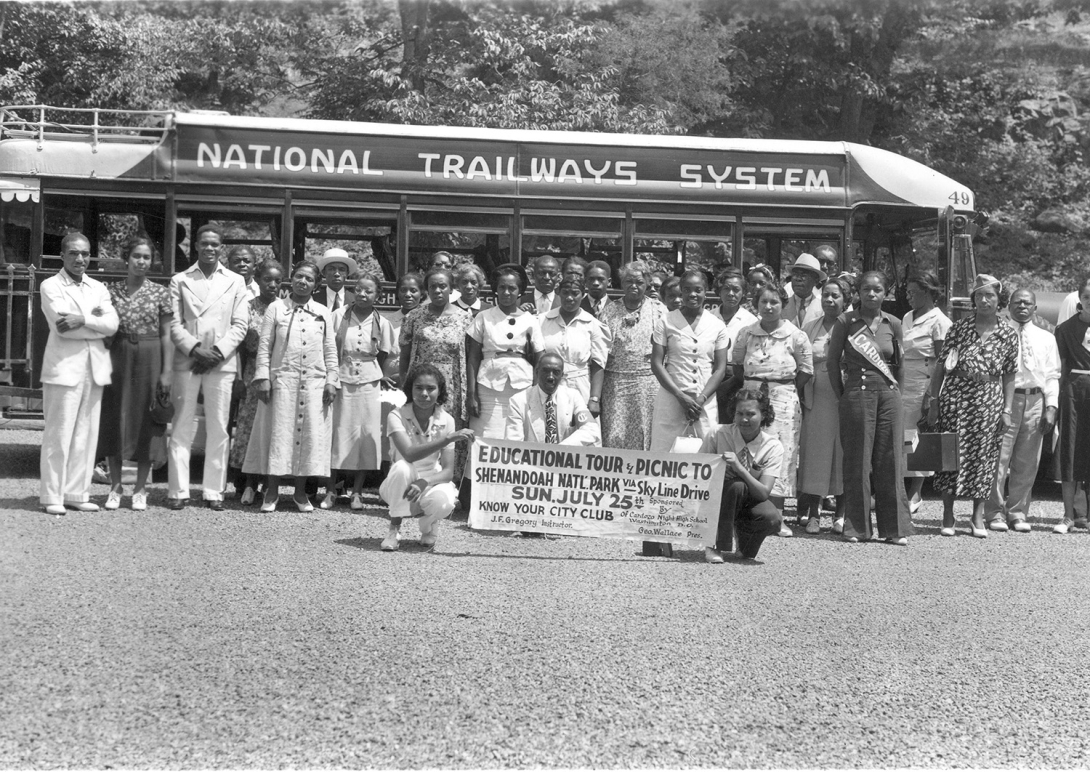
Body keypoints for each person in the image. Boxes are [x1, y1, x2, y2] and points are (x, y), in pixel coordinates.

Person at [927, 274, 1018, 538]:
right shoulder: (958, 328)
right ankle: (948, 513)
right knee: (949, 453)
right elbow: (941, 366)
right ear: (973, 300)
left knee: (984, 457)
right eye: (979, 295)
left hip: (989, 400)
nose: (984, 300)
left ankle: (977, 516)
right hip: (956, 398)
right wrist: (934, 402)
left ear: (998, 299)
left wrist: (1007, 410)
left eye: (989, 295)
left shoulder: (1007, 333)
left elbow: (1010, 374)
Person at [167, 224, 249, 511]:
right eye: (204, 244)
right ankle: (178, 491)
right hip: (187, 361)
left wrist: (216, 352)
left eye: (215, 244)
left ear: (221, 247)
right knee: (181, 426)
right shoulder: (180, 279)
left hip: (220, 362)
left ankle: (213, 491)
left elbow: (241, 324)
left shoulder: (235, 281)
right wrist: (194, 350)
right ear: (196, 246)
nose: (210, 249)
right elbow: (174, 324)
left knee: (219, 428)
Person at [827, 271, 912, 544]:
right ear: (858, 292)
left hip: (888, 395)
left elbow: (901, 364)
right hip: (856, 393)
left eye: (877, 289)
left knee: (891, 459)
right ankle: (857, 528)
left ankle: (894, 529)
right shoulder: (845, 322)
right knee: (857, 461)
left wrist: (896, 392)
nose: (871, 294)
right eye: (866, 289)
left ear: (885, 293)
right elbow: (832, 363)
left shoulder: (894, 323)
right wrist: (844, 395)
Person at [247, 260, 339, 512]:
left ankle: (300, 493)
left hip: (314, 384)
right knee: (278, 434)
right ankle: (272, 491)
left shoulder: (323, 312)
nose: (303, 282)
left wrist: (332, 380)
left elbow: (330, 350)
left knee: (307, 436)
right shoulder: (276, 309)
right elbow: (264, 347)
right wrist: (263, 378)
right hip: (282, 383)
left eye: (309, 279)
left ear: (316, 284)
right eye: (299, 276)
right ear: (291, 279)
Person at [39, 232, 119, 515]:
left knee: (86, 434)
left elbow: (112, 324)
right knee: (59, 434)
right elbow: (62, 324)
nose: (80, 259)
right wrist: (94, 322)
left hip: (94, 368)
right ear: (62, 256)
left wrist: (83, 319)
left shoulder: (97, 287)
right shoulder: (50, 285)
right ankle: (52, 496)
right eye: (73, 253)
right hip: (64, 368)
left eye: (85, 253)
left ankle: (76, 492)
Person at [97, 235, 172, 511]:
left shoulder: (160, 292)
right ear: (126, 259)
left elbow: (167, 335)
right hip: (118, 355)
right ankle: (116, 487)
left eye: (146, 257)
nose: (141, 261)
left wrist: (166, 372)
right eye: (136, 256)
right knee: (115, 417)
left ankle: (140, 489)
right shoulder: (110, 291)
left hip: (150, 356)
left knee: (146, 420)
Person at [729, 283, 813, 532]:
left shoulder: (796, 335)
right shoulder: (746, 333)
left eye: (774, 302)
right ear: (756, 304)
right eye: (763, 302)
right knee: (750, 450)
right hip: (750, 399)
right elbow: (737, 367)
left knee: (782, 454)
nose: (768, 307)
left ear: (783, 304)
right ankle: (746, 512)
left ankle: (777, 517)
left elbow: (806, 371)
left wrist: (779, 387)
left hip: (783, 400)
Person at [985, 289, 1059, 532]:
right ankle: (994, 513)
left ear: (1035, 308)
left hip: (1035, 401)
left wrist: (1051, 406)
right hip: (1004, 401)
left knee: (1027, 463)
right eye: (1017, 303)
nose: (1022, 307)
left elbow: (1052, 375)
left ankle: (1017, 513)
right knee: (998, 459)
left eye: (1027, 303)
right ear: (1009, 307)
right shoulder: (998, 333)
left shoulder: (1046, 338)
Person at [380, 363, 475, 551]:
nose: (424, 394)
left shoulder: (446, 419)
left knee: (445, 501)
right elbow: (408, 454)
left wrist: (425, 481)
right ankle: (394, 529)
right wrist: (446, 439)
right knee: (402, 467)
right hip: (398, 482)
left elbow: (448, 472)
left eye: (431, 388)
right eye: (419, 387)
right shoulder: (396, 415)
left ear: (439, 392)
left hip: (430, 481)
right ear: (410, 389)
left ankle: (428, 527)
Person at [326, 274, 397, 510]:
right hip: (341, 377)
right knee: (337, 430)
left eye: (368, 291)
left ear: (378, 295)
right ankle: (331, 489)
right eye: (358, 290)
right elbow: (328, 346)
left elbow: (384, 353)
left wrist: (376, 371)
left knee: (366, 434)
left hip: (369, 381)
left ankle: (357, 491)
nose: (363, 295)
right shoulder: (339, 316)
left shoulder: (382, 322)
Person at [399, 267, 472, 477]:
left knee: (447, 432)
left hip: (451, 385)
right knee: (422, 431)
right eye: (433, 286)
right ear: (426, 290)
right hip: (420, 385)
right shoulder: (415, 316)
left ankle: (448, 483)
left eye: (443, 286)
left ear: (451, 289)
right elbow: (404, 353)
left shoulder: (465, 318)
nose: (438, 291)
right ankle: (416, 480)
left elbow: (469, 356)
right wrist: (404, 385)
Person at [700, 387, 784, 563]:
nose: (744, 419)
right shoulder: (717, 434)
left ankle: (744, 543)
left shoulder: (773, 446)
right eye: (739, 413)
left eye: (751, 414)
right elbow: (699, 474)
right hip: (716, 498)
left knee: (772, 517)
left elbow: (763, 493)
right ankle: (715, 544)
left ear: (764, 415)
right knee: (735, 486)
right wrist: (720, 471)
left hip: (750, 499)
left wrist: (740, 469)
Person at [650, 270, 730, 451]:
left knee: (704, 451)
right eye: (687, 290)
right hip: (671, 397)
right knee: (665, 451)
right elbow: (656, 363)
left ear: (706, 291)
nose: (692, 294)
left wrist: (700, 399)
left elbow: (720, 369)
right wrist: (680, 396)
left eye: (698, 290)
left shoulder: (717, 325)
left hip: (704, 398)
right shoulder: (666, 321)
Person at [466, 264, 543, 441]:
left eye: (512, 288)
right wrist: (472, 394)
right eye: (502, 287)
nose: (507, 292)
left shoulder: (530, 320)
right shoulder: (483, 317)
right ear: (495, 289)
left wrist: (536, 393)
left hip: (521, 386)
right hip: (487, 387)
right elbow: (473, 357)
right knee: (484, 435)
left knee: (515, 436)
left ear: (520, 290)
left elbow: (540, 357)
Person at [796, 277, 849, 534]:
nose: (829, 300)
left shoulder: (853, 326)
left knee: (843, 453)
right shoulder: (810, 327)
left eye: (835, 296)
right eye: (826, 295)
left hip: (845, 396)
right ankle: (814, 513)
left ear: (845, 300)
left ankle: (841, 514)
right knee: (816, 455)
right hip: (816, 397)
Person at [228, 259, 281, 504]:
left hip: (278, 373)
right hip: (251, 373)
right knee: (249, 427)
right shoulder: (247, 307)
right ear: (257, 280)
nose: (272, 284)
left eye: (277, 280)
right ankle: (246, 484)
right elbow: (237, 347)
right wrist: (238, 377)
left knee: (273, 428)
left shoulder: (284, 308)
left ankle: (268, 484)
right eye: (267, 279)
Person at [900, 270, 952, 513]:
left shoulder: (940, 322)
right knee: (901, 437)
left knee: (917, 437)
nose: (908, 296)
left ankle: (915, 493)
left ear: (927, 292)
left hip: (923, 383)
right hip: (902, 380)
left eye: (912, 292)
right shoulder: (908, 317)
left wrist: (932, 397)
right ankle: (899, 490)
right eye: (907, 292)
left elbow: (942, 362)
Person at [600, 261, 666, 451]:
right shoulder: (609, 311)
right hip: (616, 382)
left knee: (647, 429)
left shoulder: (659, 310)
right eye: (629, 281)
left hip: (648, 382)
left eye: (639, 282)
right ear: (621, 283)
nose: (634, 286)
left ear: (647, 283)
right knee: (615, 432)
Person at [1052, 278, 1090, 534]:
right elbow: (1060, 367)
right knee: (1071, 449)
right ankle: (1068, 515)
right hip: (1074, 392)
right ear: (1080, 299)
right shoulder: (1064, 329)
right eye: (1088, 296)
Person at [540, 276, 611, 408]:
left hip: (580, 387)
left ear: (583, 295)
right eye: (565, 293)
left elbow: (598, 365)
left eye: (575, 293)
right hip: (547, 385)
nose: (569, 298)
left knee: (580, 426)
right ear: (558, 293)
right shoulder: (541, 321)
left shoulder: (593, 325)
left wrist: (594, 399)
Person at [505, 353, 602, 446]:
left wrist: (559, 450)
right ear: (537, 371)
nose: (550, 377)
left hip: (564, 458)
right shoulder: (518, 401)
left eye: (556, 372)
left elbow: (591, 429)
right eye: (546, 371)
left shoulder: (573, 396)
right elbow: (513, 444)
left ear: (562, 375)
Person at [711, 267, 757, 417]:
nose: (731, 294)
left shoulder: (751, 321)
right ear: (719, 291)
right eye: (726, 289)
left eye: (736, 290)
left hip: (736, 381)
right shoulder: (708, 318)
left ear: (743, 293)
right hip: (708, 379)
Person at [783, 253, 826, 329]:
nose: (798, 279)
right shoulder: (781, 306)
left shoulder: (823, 308)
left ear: (816, 281)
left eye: (803, 275)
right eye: (795, 274)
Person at [315, 248, 356, 312]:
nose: (337, 274)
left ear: (347, 273)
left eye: (342, 269)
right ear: (323, 272)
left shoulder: (356, 300)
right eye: (331, 269)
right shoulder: (313, 300)